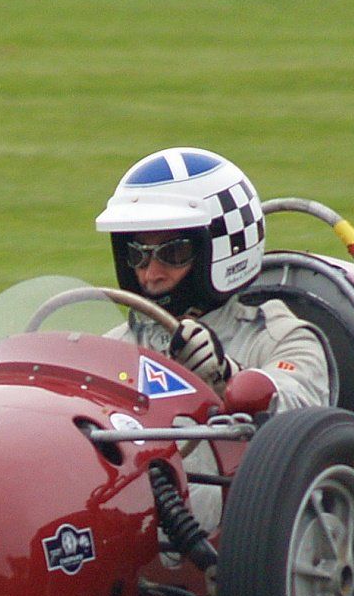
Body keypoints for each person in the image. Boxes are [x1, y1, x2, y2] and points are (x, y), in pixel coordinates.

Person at [97, 148, 331, 412]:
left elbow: (299, 407)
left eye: (172, 253)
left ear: (220, 252)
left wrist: (227, 377)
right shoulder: (113, 347)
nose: (151, 274)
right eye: (137, 255)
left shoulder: (280, 339)